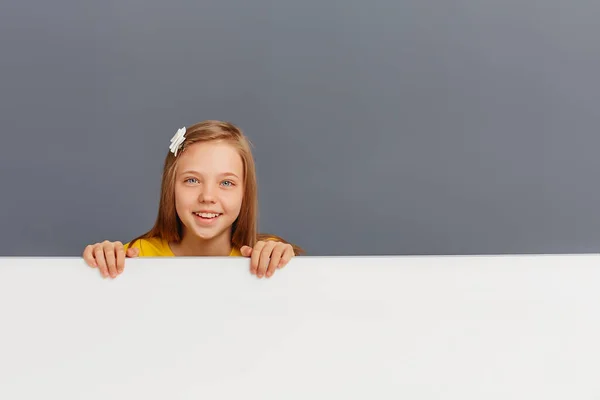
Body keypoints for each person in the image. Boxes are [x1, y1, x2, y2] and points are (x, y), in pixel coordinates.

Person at [82, 120, 304, 280]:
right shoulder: (135, 256)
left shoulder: (265, 253)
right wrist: (102, 259)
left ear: (245, 192)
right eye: (192, 180)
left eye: (226, 183)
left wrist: (283, 261)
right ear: (171, 187)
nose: (207, 197)